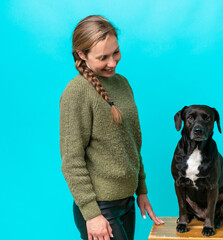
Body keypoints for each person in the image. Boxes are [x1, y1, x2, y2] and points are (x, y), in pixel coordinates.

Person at [59, 15, 163, 240]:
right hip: (100, 209)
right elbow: (72, 162)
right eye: (102, 57)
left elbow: (132, 142)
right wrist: (91, 214)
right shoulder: (76, 93)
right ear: (81, 54)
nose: (112, 62)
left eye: (115, 53)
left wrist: (141, 190)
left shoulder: (122, 83)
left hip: (127, 203)